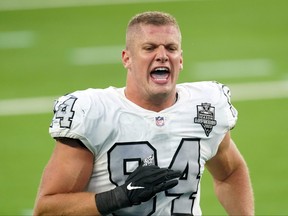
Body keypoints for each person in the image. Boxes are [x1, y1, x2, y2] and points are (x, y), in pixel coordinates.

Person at [33, 11, 254, 215]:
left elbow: (230, 173)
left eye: (171, 48)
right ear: (127, 58)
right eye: (149, 48)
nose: (162, 55)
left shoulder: (204, 106)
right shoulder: (94, 112)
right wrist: (119, 197)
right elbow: (47, 209)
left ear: (181, 59)